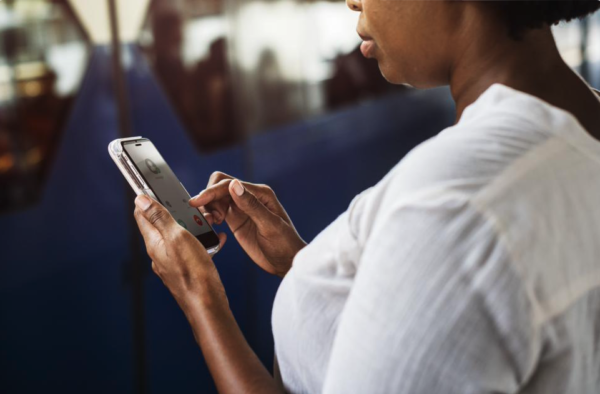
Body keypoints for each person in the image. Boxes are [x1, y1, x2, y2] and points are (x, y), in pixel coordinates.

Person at [132, 1, 600, 393]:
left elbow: (457, 253)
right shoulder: (572, 133)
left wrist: (199, 295)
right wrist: (307, 267)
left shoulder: (455, 202)